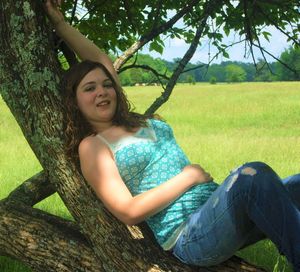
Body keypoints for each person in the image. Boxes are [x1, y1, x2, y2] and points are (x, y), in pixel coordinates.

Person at [45, 1, 300, 270]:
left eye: (107, 84)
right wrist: (187, 178)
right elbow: (128, 211)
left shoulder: (136, 121)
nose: (102, 91)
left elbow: (100, 61)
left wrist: (61, 25)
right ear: (73, 101)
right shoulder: (94, 145)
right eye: (89, 88)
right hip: (189, 235)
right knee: (252, 175)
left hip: (219, 214)